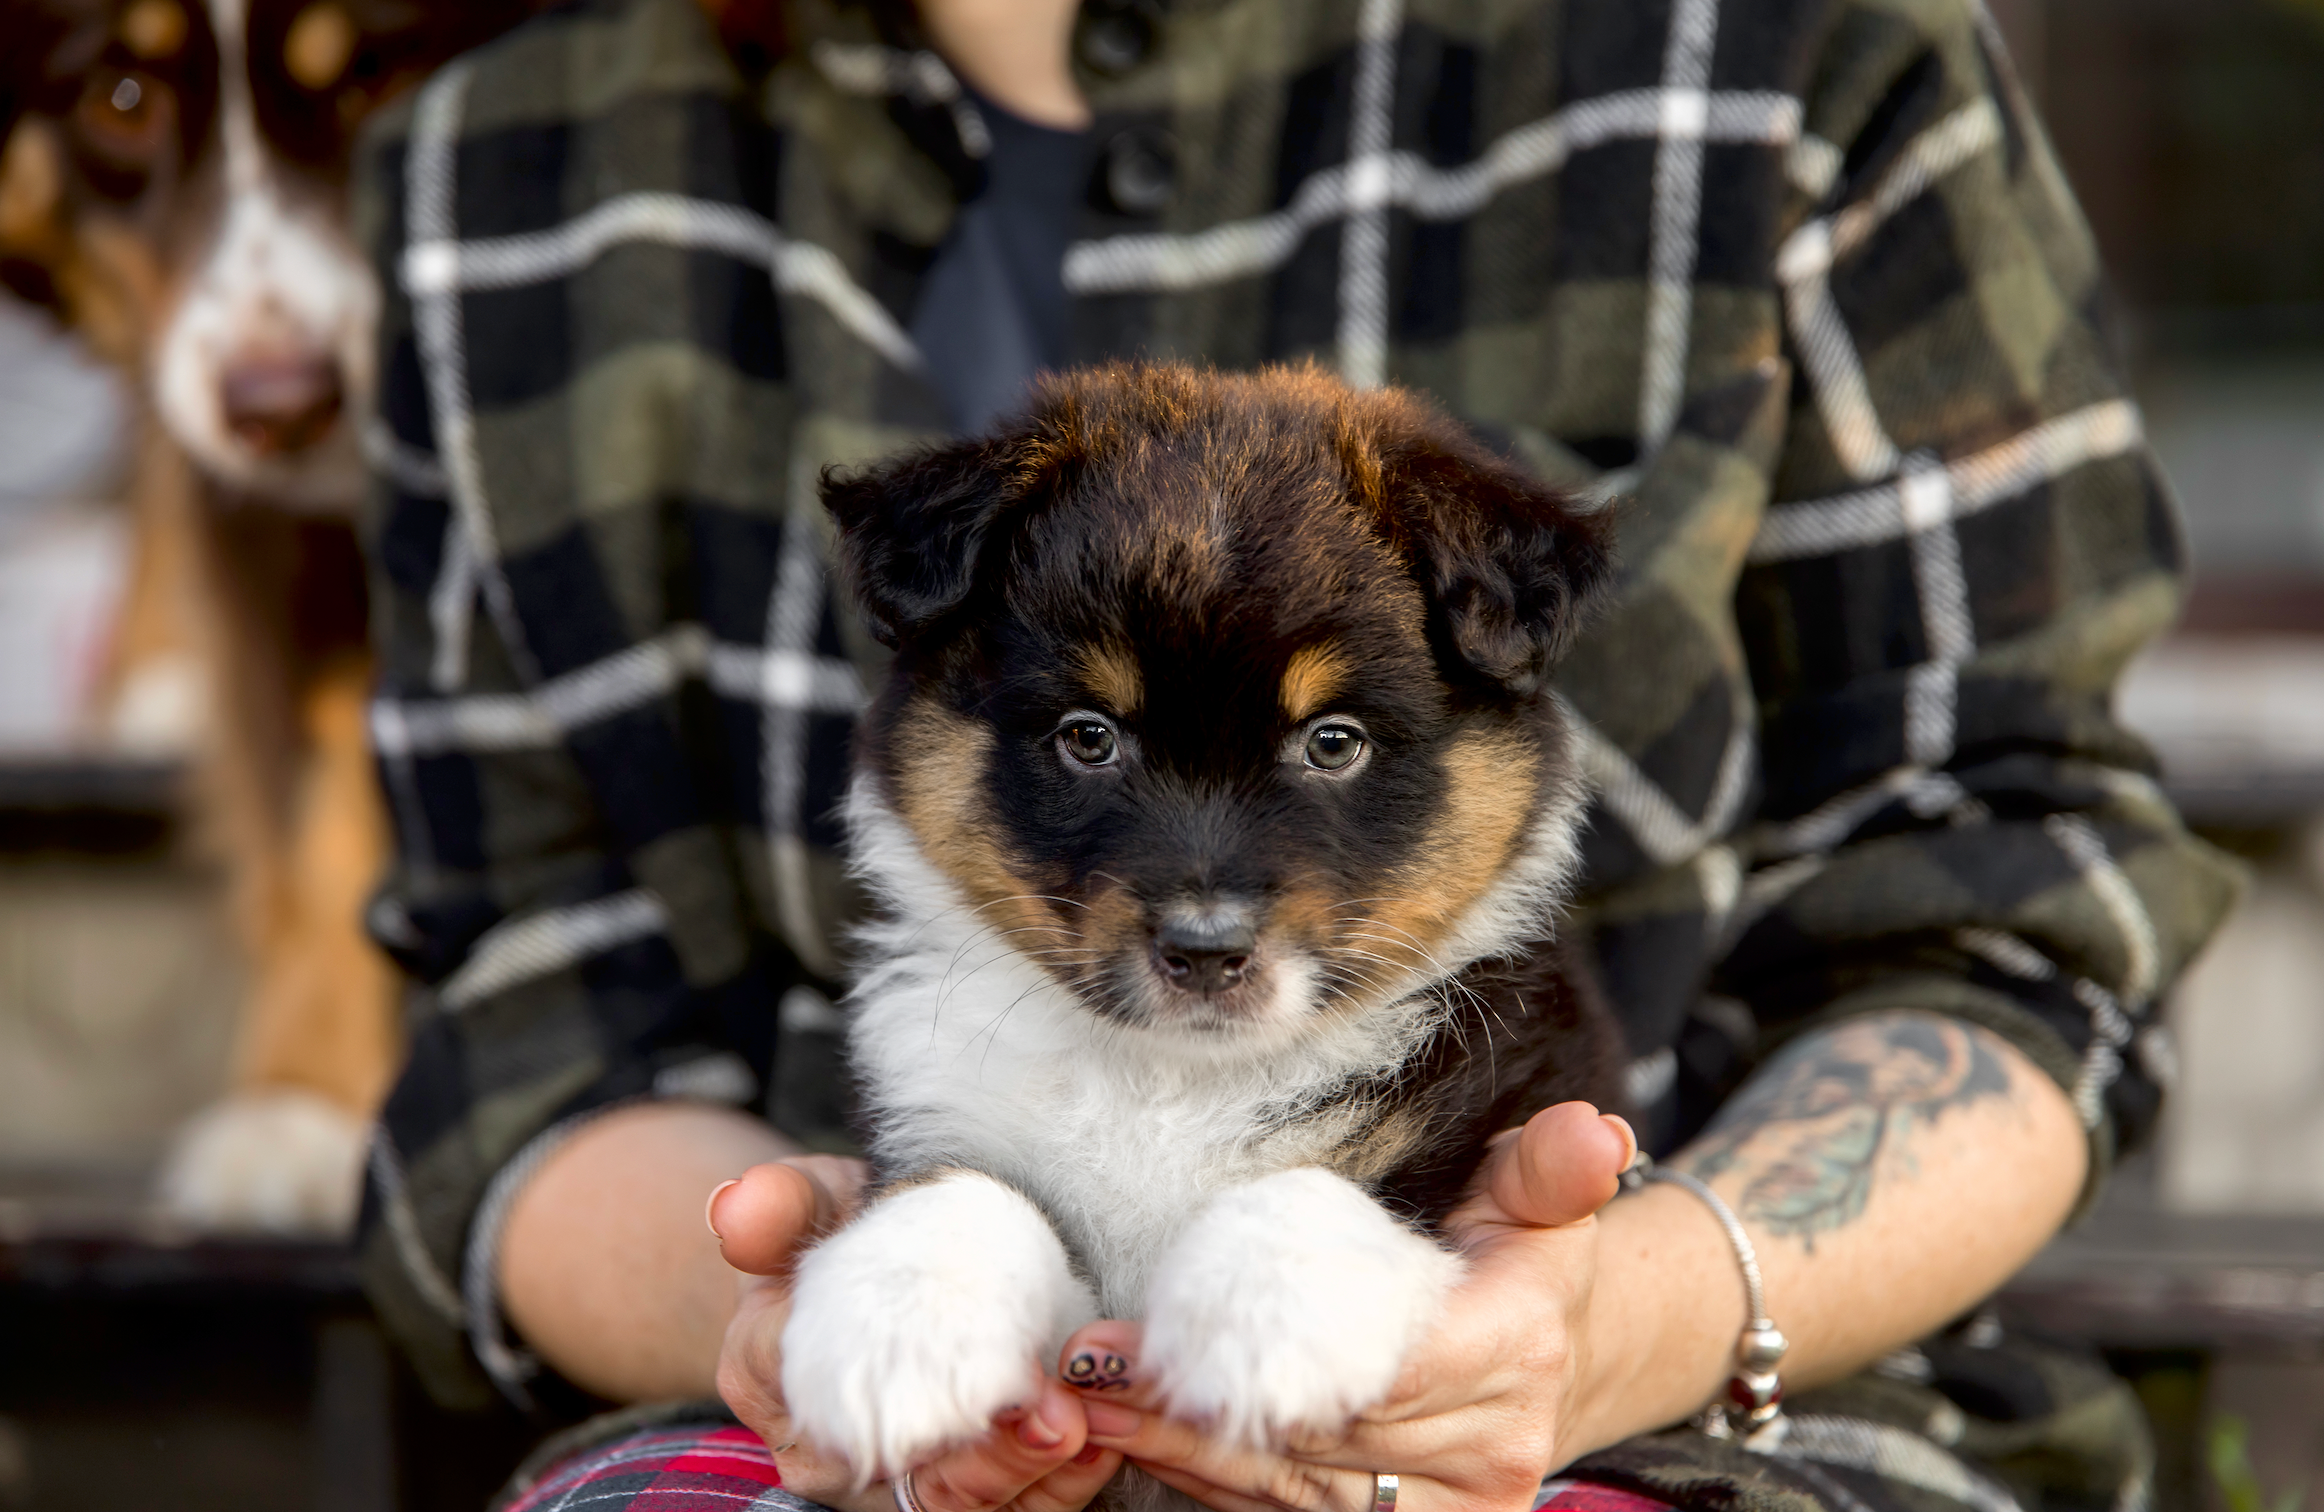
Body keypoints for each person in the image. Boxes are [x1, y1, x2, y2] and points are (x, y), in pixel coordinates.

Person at [353, 0, 2241, 1508]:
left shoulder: (1783, 53)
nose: (1198, 895)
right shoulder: (494, 170)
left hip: (1696, 1418)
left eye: (1331, 742)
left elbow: (2011, 895)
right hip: (822, 1435)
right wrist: (806, 1305)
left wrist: (1605, 1328)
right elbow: (520, 1025)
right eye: (1082, 736)